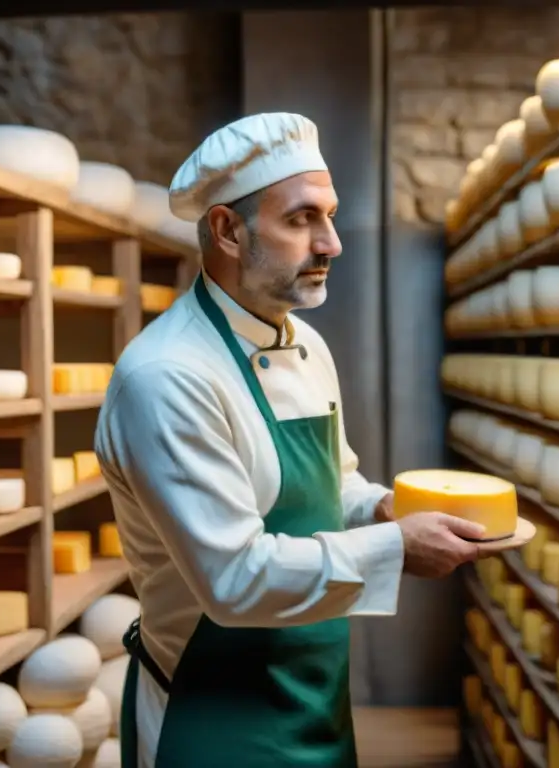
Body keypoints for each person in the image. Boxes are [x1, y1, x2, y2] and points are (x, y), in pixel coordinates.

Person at [94, 112, 486, 768]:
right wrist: (395, 548)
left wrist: (385, 508)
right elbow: (234, 579)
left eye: (330, 216)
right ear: (227, 229)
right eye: (301, 219)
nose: (331, 242)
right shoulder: (167, 377)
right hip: (214, 711)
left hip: (311, 696)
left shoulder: (304, 342)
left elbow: (334, 483)